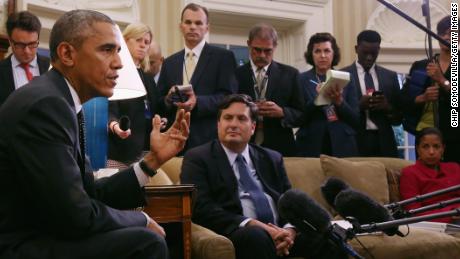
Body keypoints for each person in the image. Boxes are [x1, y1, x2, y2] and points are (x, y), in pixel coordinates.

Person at [0, 10, 190, 259]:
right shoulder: (46, 105)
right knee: (147, 242)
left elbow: (91, 193)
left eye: (118, 51)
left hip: (45, 232)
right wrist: (139, 219)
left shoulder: (62, 100)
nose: (119, 63)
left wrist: (153, 161)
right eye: (107, 50)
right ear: (67, 54)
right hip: (22, 244)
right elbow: (75, 215)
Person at [180, 94, 326, 259]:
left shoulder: (272, 158)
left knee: (327, 237)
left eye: (241, 119)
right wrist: (253, 224)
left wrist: (289, 231)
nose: (233, 124)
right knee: (256, 236)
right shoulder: (198, 158)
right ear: (218, 124)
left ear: (253, 127)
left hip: (280, 232)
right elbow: (201, 209)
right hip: (239, 231)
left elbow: (289, 201)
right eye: (228, 118)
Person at [158, 3, 237, 152]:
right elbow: (159, 102)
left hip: (209, 141)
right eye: (188, 22)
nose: (192, 27)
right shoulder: (169, 62)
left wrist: (198, 102)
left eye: (198, 23)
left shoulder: (223, 57)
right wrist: (168, 100)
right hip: (174, 141)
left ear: (207, 28)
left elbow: (229, 97)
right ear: (181, 26)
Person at [236, 23, 304, 156]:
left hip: (281, 148)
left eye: (268, 51)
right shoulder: (235, 75)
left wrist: (282, 112)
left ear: (275, 47)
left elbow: (302, 114)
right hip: (243, 146)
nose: (262, 55)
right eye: (257, 49)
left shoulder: (290, 74)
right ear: (248, 44)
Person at [401, 15, 459, 163]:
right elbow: (403, 99)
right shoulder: (420, 66)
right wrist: (422, 98)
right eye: (443, 33)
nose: (447, 37)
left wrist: (442, 80)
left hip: (455, 135)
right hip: (424, 135)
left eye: (452, 33)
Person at [295, 32, 359, 157]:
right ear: (311, 54)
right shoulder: (300, 79)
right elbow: (297, 118)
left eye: (327, 51)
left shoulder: (347, 78)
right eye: (317, 51)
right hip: (311, 144)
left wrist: (339, 101)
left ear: (333, 53)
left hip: (342, 143)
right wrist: (316, 99)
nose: (322, 55)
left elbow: (356, 119)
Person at [107, 23, 161, 168]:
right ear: (125, 40)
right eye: (138, 40)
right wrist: (114, 125)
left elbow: (155, 109)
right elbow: (109, 108)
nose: (143, 45)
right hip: (120, 151)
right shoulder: (115, 72)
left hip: (145, 150)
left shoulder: (147, 77)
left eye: (146, 42)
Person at [342, 30, 402, 157]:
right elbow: (338, 116)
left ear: (379, 50)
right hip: (354, 142)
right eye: (365, 53)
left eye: (373, 53)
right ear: (356, 49)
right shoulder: (342, 76)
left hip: (385, 143)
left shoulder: (390, 77)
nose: (369, 57)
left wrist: (387, 107)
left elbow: (399, 118)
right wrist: (358, 106)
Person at [399, 127, 460, 223]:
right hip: (439, 223)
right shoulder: (409, 173)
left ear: (443, 149)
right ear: (418, 149)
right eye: (425, 146)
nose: (431, 152)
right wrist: (450, 214)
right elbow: (413, 212)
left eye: (436, 146)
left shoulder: (454, 168)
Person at [0, 11, 50, 106]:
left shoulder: (52, 67)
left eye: (32, 44)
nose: (27, 51)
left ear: (38, 40)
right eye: (20, 45)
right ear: (10, 42)